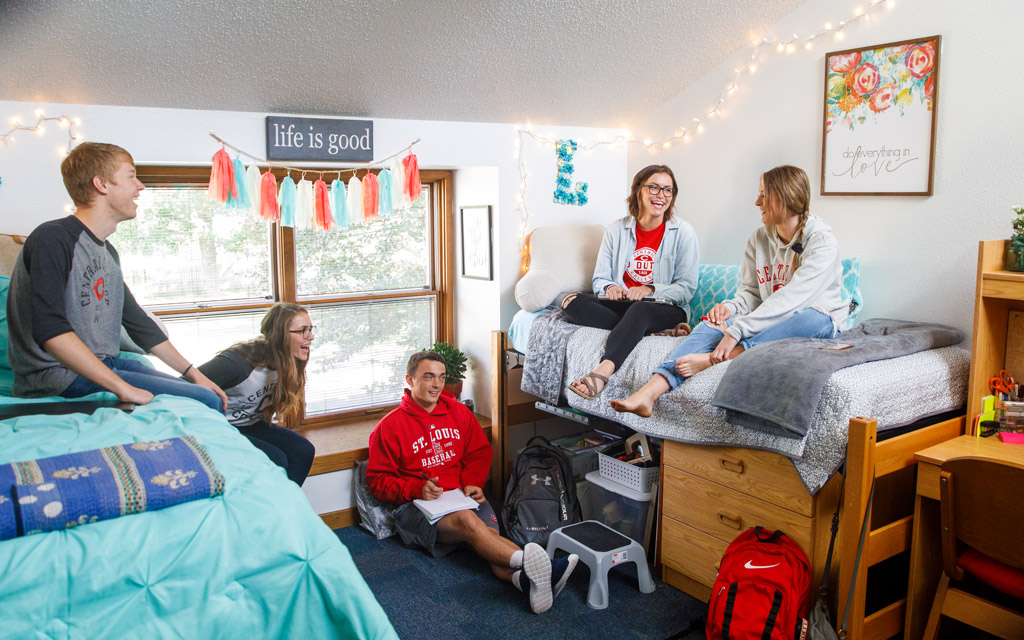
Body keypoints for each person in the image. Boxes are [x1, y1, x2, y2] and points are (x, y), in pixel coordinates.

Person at [611, 165, 848, 417]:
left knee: (812, 317)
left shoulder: (821, 242)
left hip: (815, 320)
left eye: (764, 195)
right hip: (767, 318)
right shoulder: (759, 239)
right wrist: (729, 310)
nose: (758, 202)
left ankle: (718, 358)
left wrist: (737, 331)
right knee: (714, 322)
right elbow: (750, 294)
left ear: (785, 196)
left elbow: (792, 300)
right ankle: (649, 392)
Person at [6, 142, 227, 412]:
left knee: (204, 390)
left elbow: (139, 323)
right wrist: (123, 388)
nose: (140, 186)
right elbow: (51, 332)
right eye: (131, 176)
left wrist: (194, 373)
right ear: (101, 184)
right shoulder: (52, 238)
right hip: (56, 377)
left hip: (106, 363)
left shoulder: (107, 251)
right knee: (206, 402)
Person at [367, 351, 578, 614]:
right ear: (409, 379)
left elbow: (479, 452)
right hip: (416, 508)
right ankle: (539, 564)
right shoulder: (389, 427)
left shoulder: (459, 412)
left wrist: (473, 482)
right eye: (428, 376)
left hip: (461, 495)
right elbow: (377, 482)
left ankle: (526, 582)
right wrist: (416, 489)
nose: (437, 384)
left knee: (487, 536)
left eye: (442, 377)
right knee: (469, 522)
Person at [562, 164, 699, 400]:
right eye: (654, 187)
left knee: (640, 309)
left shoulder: (683, 232)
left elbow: (686, 289)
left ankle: (603, 370)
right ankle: (646, 332)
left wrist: (649, 290)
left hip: (662, 307)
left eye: (668, 190)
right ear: (638, 190)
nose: (661, 195)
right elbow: (600, 277)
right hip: (624, 303)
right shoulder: (617, 229)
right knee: (571, 301)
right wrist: (610, 288)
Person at [196, 303, 316, 485]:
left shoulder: (293, 362)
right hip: (218, 427)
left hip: (250, 424)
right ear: (281, 335)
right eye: (302, 331)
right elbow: (184, 385)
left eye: (310, 329)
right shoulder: (238, 363)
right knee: (276, 459)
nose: (311, 337)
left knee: (303, 450)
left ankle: (285, 507)